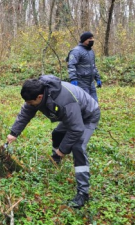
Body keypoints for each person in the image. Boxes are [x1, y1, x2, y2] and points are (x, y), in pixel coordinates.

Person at [6, 75, 100, 208]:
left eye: (30, 102)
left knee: (78, 147)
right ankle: (55, 160)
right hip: (72, 116)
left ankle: (83, 192)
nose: (28, 105)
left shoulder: (63, 101)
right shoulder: (36, 92)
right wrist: (14, 133)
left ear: (39, 97)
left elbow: (77, 129)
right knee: (57, 133)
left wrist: (63, 149)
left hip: (88, 115)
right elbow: (26, 112)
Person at [67, 31, 102, 102]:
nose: (92, 40)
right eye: (90, 38)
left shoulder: (91, 51)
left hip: (91, 83)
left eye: (92, 38)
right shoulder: (76, 51)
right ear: (84, 40)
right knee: (85, 104)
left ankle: (94, 113)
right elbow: (71, 65)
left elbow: (93, 66)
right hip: (81, 83)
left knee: (94, 103)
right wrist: (73, 79)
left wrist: (97, 78)